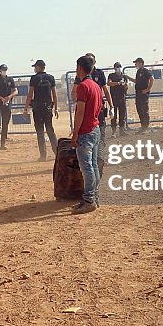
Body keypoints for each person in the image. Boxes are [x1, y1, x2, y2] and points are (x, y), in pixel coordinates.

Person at [71, 55, 103, 215]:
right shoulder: (95, 86)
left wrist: (75, 133)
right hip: (95, 129)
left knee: (87, 167)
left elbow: (80, 112)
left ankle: (89, 199)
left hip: (85, 131)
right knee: (93, 165)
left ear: (79, 68)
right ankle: (94, 197)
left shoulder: (83, 86)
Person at [23, 59, 59, 161]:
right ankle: (57, 154)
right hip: (48, 107)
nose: (35, 68)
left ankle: (43, 156)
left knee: (40, 132)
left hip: (37, 108)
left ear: (39, 67)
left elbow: (30, 94)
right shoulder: (51, 78)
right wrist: (56, 108)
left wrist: (25, 109)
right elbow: (54, 94)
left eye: (35, 67)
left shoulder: (34, 78)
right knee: (50, 130)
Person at [86, 53, 111, 169]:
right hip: (87, 111)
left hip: (99, 109)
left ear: (95, 62)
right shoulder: (82, 75)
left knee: (101, 134)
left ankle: (99, 159)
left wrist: (111, 106)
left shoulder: (99, 74)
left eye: (91, 60)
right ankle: (93, 160)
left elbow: (105, 90)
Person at [0, 64, 17, 150]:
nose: (4, 71)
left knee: (5, 123)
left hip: (7, 105)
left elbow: (16, 91)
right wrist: (0, 98)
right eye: (2, 70)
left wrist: (9, 97)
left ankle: (3, 143)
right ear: (0, 70)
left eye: (5, 69)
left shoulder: (10, 79)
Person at [107, 62, 131, 137]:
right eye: (116, 67)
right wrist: (118, 83)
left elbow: (126, 87)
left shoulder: (124, 76)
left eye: (119, 67)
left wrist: (125, 86)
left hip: (122, 97)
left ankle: (122, 131)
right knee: (114, 115)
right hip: (114, 97)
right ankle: (114, 132)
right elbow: (109, 83)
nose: (118, 68)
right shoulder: (111, 75)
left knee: (122, 114)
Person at [133, 57, 154, 131]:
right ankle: (142, 125)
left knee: (144, 110)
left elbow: (151, 79)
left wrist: (148, 89)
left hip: (143, 94)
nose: (136, 64)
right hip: (138, 93)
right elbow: (137, 81)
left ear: (141, 63)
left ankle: (146, 126)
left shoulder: (145, 71)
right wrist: (128, 78)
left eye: (137, 63)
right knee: (139, 109)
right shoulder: (138, 72)